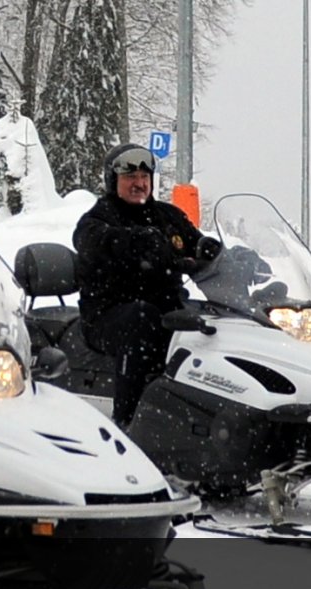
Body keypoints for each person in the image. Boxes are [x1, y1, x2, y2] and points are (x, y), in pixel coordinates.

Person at [73, 144, 210, 427]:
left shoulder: (167, 216)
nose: (139, 184)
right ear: (114, 181)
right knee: (141, 317)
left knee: (209, 322)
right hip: (108, 315)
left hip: (165, 308)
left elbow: (196, 243)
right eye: (130, 177)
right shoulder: (98, 220)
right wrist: (137, 244)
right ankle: (127, 421)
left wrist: (217, 253)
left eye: (144, 177)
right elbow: (93, 241)